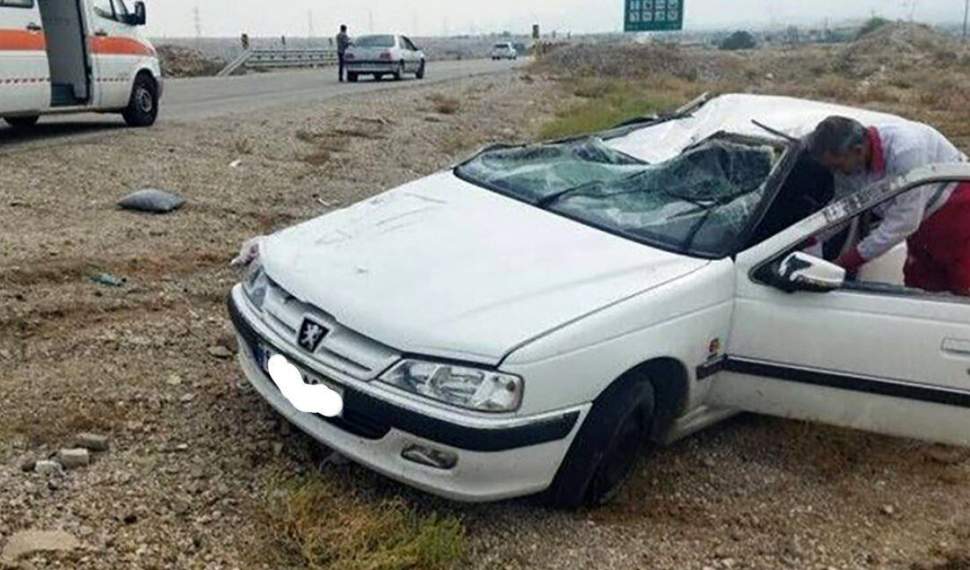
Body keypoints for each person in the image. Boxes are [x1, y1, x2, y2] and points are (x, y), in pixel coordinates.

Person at [806, 116, 970, 294]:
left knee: (962, 296)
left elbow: (903, 222)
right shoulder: (851, 161)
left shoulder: (907, 150)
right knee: (920, 292)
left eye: (838, 166)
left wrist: (844, 263)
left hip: (959, 216)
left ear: (858, 150)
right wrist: (808, 237)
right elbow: (845, 207)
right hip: (920, 226)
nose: (836, 172)